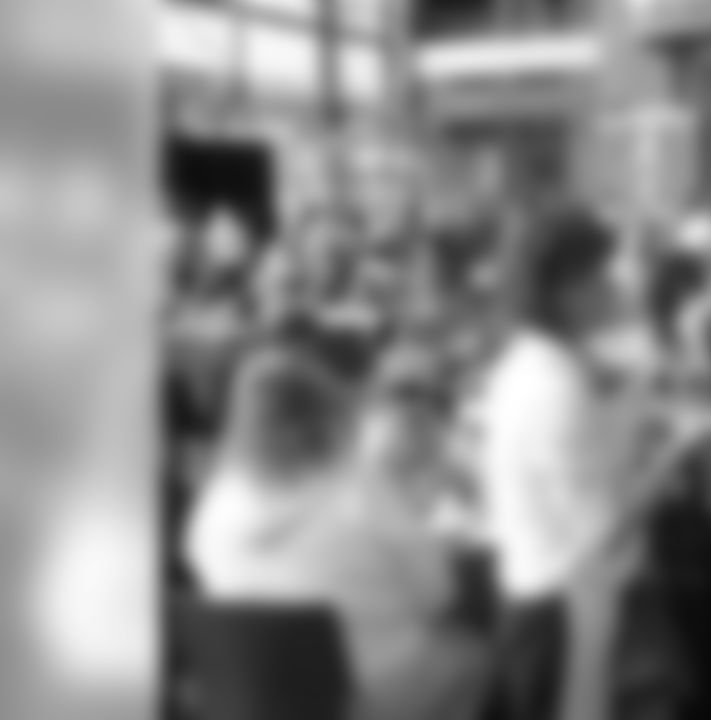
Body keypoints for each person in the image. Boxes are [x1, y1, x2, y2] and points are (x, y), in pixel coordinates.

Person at [185, 333, 485, 720]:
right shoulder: (358, 486)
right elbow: (439, 594)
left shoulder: (216, 504)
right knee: (474, 657)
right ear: (325, 411)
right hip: (363, 693)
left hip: (256, 698)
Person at [474, 205, 668, 720]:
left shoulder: (536, 362)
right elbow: (603, 528)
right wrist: (669, 465)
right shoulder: (554, 386)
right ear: (564, 290)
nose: (613, 287)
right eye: (599, 276)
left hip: (551, 591)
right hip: (566, 601)